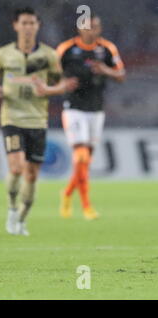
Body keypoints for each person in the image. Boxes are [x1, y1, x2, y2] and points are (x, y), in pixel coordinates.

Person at [0, 7, 78, 236]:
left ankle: (21, 218)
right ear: (15, 25)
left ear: (37, 26)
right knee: (17, 168)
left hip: (38, 121)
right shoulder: (3, 54)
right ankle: (11, 208)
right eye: (24, 23)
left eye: (32, 23)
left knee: (32, 175)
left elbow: (62, 84)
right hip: (12, 119)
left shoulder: (49, 55)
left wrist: (48, 88)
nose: (28, 27)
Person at [57, 15, 126, 220]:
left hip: (96, 110)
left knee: (85, 162)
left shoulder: (107, 49)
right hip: (74, 108)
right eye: (88, 27)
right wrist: (63, 84)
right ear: (80, 29)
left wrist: (105, 70)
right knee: (81, 156)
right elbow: (51, 73)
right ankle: (87, 206)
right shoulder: (66, 49)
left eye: (96, 27)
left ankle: (67, 193)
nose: (92, 31)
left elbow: (121, 74)